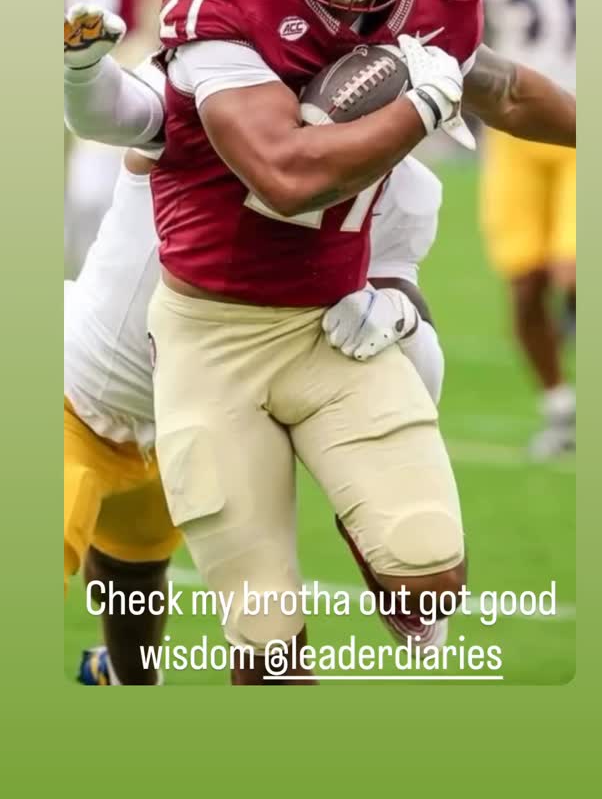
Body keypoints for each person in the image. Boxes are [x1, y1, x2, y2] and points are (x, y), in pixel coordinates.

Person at [65, 0, 575, 685]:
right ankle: (125, 680)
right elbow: (259, 163)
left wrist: (398, 296)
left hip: (297, 334)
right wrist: (419, 103)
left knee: (411, 484)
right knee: (210, 610)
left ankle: (386, 589)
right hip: (151, 349)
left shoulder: (431, 12)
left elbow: (497, 88)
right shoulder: (221, 11)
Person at [64, 42, 446, 684]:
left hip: (197, 410)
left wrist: (400, 312)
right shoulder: (213, 98)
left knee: (148, 573)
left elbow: (406, 325)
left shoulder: (404, 189)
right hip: (80, 395)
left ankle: (126, 684)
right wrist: (82, 71)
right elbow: (115, 112)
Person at [448, 0, 576, 458]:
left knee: (575, 269)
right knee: (525, 280)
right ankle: (560, 405)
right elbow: (458, 10)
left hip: (586, 123)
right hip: (516, 124)